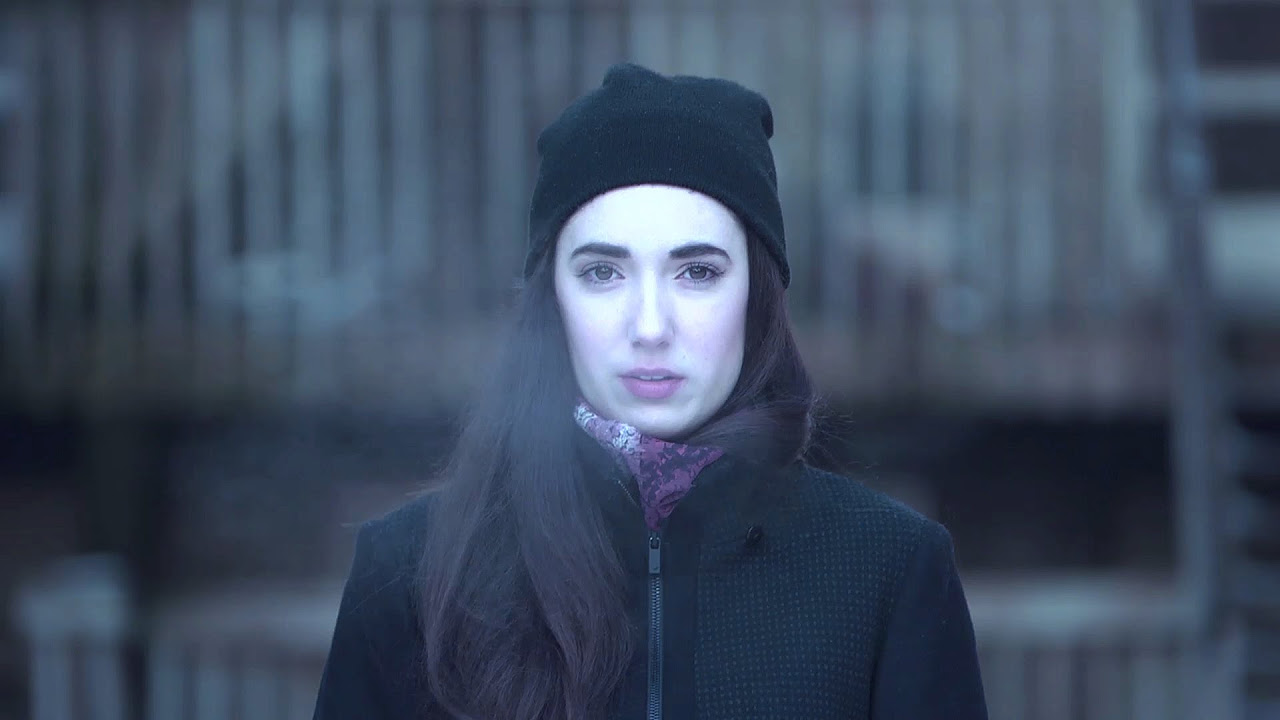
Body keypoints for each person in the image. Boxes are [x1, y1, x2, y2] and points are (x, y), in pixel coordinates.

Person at [312, 62, 988, 720]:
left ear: (755, 296)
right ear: (552, 299)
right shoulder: (409, 570)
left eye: (697, 272)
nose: (650, 327)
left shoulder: (888, 569)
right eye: (603, 273)